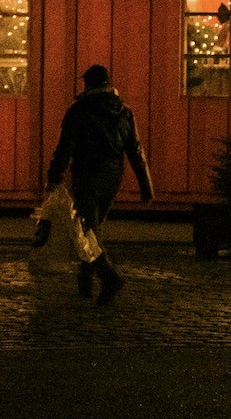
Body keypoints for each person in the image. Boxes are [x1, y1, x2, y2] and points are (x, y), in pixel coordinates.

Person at [46, 64, 153, 302]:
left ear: (87, 84)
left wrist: (54, 175)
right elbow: (135, 150)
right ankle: (85, 282)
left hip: (86, 175)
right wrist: (146, 188)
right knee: (92, 228)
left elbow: (65, 147)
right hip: (112, 177)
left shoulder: (79, 110)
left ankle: (109, 278)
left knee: (85, 231)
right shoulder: (124, 110)